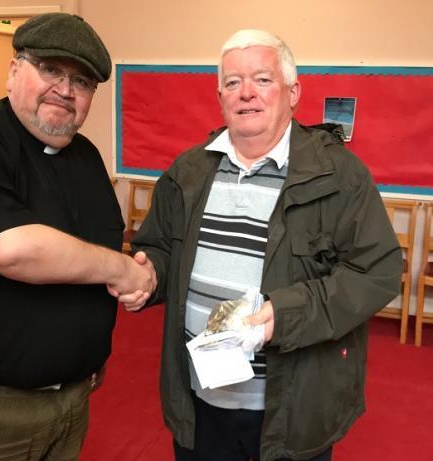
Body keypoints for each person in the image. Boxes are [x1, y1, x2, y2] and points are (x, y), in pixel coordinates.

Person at [120, 29, 402, 461]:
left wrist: (285, 315)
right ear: (220, 97)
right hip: (200, 401)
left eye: (263, 80)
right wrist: (149, 274)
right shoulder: (188, 171)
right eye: (233, 82)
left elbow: (377, 273)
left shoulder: (342, 176)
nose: (246, 93)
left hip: (292, 407)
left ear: (293, 93)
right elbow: (159, 247)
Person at [0, 13, 155, 461]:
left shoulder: (87, 157)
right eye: (50, 70)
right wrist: (120, 269)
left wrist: (131, 277)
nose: (65, 88)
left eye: (82, 81)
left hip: (72, 398)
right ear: (15, 71)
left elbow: (96, 246)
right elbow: (12, 249)